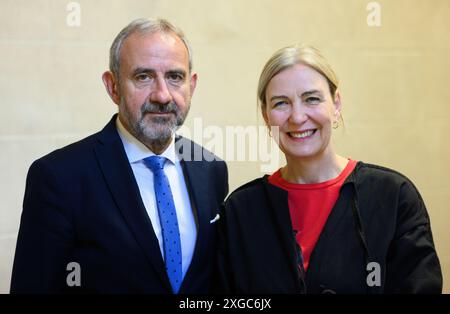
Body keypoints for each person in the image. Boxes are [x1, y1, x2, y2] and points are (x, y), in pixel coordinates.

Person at [11, 18, 228, 294]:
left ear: (192, 85)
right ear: (113, 86)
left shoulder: (210, 168)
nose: (162, 95)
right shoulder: (59, 177)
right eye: (143, 77)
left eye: (175, 77)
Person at [216, 44, 442, 294]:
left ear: (336, 105)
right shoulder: (241, 210)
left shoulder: (394, 197)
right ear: (266, 115)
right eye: (281, 103)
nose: (298, 117)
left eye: (311, 99)